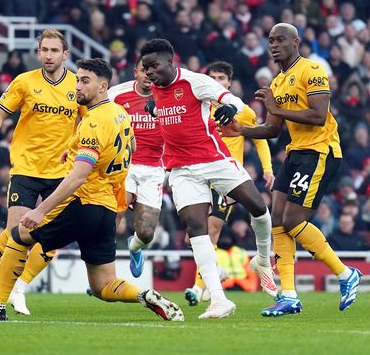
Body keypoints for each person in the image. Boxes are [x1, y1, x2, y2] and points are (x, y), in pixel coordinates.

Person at [0, 58, 183, 322]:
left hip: (83, 203)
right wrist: (74, 150)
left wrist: (41, 209)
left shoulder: (93, 122)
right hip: (106, 210)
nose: (77, 87)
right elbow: (133, 148)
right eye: (77, 80)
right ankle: (144, 295)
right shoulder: (120, 114)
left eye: (84, 81)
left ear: (103, 86)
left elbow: (78, 176)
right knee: (104, 285)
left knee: (17, 236)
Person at [220, 23, 362, 315]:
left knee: (295, 221)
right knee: (278, 222)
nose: (274, 45)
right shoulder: (277, 83)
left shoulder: (312, 71)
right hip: (296, 153)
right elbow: (272, 129)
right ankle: (289, 295)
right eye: (270, 40)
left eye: (280, 39)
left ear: (295, 42)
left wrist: (275, 106)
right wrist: (242, 131)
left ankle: (346, 274)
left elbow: (319, 116)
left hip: (320, 151)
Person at [140, 39, 276, 319]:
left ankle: (262, 259)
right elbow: (160, 107)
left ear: (169, 62)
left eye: (153, 66)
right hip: (181, 170)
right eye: (145, 68)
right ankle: (218, 299)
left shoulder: (194, 82)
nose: (149, 72)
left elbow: (232, 99)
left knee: (259, 209)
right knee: (196, 230)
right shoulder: (155, 89)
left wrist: (230, 108)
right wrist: (153, 107)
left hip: (214, 160)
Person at [0, 29, 79, 316]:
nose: (48, 55)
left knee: (52, 238)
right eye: (44, 49)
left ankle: (20, 286)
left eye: (54, 50)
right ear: (38, 52)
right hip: (27, 168)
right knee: (14, 234)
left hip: (62, 172)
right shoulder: (24, 82)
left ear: (65, 55)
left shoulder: (78, 85)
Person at [183, 61, 276, 306]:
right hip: (198, 175)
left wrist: (267, 169)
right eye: (212, 77)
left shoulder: (241, 110)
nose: (216, 81)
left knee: (211, 230)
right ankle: (217, 272)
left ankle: (199, 286)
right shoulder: (198, 106)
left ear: (229, 83)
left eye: (221, 78)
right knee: (192, 237)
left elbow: (260, 138)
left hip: (226, 179)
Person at [107, 57, 165, 278]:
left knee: (147, 232)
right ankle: (103, 272)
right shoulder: (117, 95)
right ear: (135, 73)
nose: (148, 75)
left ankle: (135, 246)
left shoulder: (167, 96)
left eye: (152, 71)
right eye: (144, 70)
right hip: (126, 165)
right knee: (114, 215)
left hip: (153, 170)